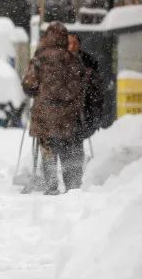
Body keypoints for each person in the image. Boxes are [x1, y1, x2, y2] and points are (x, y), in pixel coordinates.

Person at [22, 22, 85, 194]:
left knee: (48, 149)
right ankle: (71, 187)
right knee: (66, 148)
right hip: (68, 115)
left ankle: (51, 185)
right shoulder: (73, 59)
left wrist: (36, 90)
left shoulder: (40, 58)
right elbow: (81, 85)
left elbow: (29, 84)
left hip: (45, 115)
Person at [68, 32, 104, 141]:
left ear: (79, 44)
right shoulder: (58, 61)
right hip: (64, 112)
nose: (72, 46)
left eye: (75, 42)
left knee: (76, 141)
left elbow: (96, 89)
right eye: (69, 43)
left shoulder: (88, 61)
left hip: (83, 108)